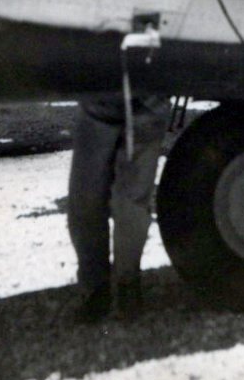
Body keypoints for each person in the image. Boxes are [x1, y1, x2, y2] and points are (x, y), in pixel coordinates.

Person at [66, 89, 173, 322]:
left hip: (137, 104)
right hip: (125, 101)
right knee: (95, 201)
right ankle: (110, 288)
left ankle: (117, 288)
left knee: (117, 204)